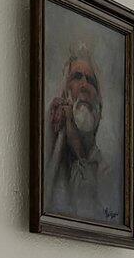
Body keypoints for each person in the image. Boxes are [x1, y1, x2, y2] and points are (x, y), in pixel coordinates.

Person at [44, 41, 121, 224]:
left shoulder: (108, 173)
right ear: (64, 93)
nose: (84, 86)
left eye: (91, 81)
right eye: (77, 77)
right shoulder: (48, 154)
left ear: (100, 108)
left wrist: (78, 147)